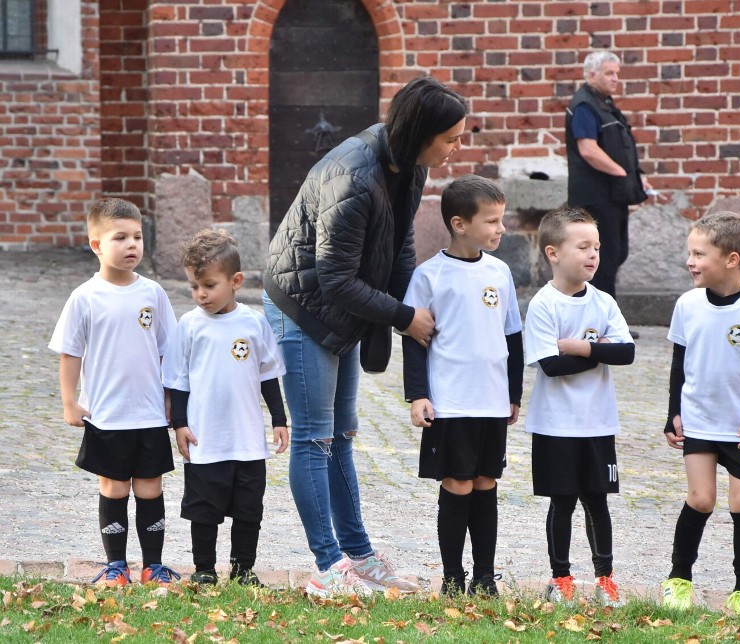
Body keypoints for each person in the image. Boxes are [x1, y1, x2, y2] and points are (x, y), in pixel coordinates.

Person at [263, 76, 468, 598]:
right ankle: (328, 568)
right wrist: (403, 317)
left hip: (342, 311)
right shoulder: (352, 176)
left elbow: (399, 244)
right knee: (314, 437)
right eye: (451, 138)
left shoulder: (411, 166)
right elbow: (334, 279)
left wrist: (406, 303)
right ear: (422, 132)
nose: (457, 147)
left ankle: (358, 555)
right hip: (303, 308)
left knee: (342, 438)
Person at [661, 211, 740, 615]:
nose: (690, 261)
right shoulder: (687, 304)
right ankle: (679, 579)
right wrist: (673, 414)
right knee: (700, 499)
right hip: (699, 420)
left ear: (731, 259)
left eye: (699, 254)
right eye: (690, 252)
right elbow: (678, 363)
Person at [402, 175, 523, 597]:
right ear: (459, 223)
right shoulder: (429, 276)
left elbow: (512, 338)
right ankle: (453, 578)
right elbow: (415, 342)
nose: (500, 228)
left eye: (500, 219)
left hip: (491, 402)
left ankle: (484, 576)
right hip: (451, 403)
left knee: (487, 483)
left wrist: (513, 394)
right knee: (457, 485)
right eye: (491, 221)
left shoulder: (500, 272)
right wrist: (418, 395)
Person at [49, 197, 179, 587]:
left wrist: (172, 400)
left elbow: (168, 351)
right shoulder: (85, 297)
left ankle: (152, 566)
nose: (131, 245)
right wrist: (70, 401)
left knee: (151, 487)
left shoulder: (153, 293)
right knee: (114, 487)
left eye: (137, 237)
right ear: (96, 246)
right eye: (120, 237)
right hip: (107, 413)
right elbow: (70, 352)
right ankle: (116, 566)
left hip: (150, 412)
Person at [162, 229, 289, 587]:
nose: (201, 294)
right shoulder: (189, 326)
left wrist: (279, 420)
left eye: (209, 285)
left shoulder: (253, 323)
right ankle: (204, 568)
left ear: (235, 281)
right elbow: (178, 381)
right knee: (204, 511)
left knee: (249, 511)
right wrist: (179, 425)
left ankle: (243, 569)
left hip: (247, 440)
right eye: (194, 287)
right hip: (206, 440)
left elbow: (268, 376)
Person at [523, 206, 635, 607]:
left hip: (598, 423)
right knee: (563, 502)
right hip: (555, 425)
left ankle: (606, 579)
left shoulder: (603, 301)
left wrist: (581, 346)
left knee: (598, 501)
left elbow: (626, 353)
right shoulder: (544, 304)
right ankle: (561, 578)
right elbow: (551, 366)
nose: (593, 255)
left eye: (597, 247)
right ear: (553, 252)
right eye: (583, 246)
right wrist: (599, 350)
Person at [565, 50, 663, 302]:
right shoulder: (585, 105)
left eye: (617, 73)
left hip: (613, 195)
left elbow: (619, 148)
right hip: (596, 196)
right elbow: (589, 150)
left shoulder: (605, 105)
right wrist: (621, 173)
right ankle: (602, 322)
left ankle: (605, 317)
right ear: (591, 74)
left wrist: (636, 176)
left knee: (616, 254)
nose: (615, 78)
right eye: (609, 73)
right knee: (603, 259)